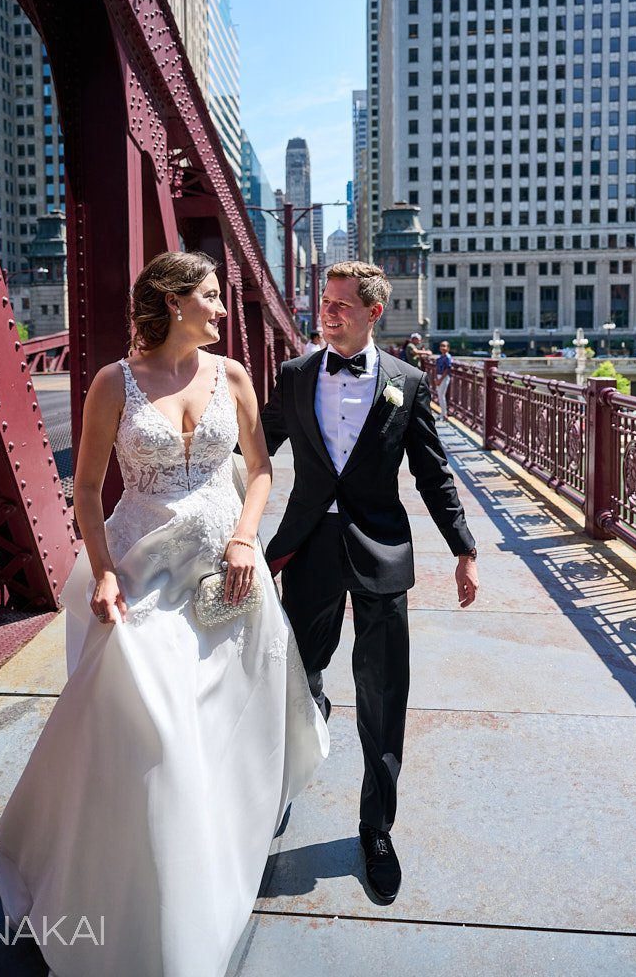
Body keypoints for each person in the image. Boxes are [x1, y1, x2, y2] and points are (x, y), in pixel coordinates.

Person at [0, 251, 328, 977]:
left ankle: (215, 841)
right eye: (209, 296)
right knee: (156, 725)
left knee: (222, 718)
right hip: (142, 571)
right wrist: (104, 576)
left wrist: (246, 538)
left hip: (225, 569)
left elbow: (262, 469)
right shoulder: (113, 384)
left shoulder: (233, 375)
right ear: (174, 302)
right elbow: (85, 488)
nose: (221, 308)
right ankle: (149, 903)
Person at [260, 260, 478, 906]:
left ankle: (376, 830)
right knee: (297, 673)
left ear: (373, 313)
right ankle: (298, 741)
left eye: (341, 306)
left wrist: (465, 548)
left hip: (381, 553)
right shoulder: (296, 375)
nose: (327, 313)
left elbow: (434, 475)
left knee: (384, 698)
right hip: (309, 549)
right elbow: (257, 447)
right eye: (324, 303)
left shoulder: (407, 384)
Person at [434, 339, 453, 420]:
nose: (442, 347)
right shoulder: (440, 357)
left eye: (444, 346)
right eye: (441, 346)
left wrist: (440, 380)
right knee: (440, 395)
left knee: (442, 396)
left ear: (448, 348)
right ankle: (442, 413)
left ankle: (444, 414)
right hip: (439, 377)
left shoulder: (448, 357)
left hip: (444, 377)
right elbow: (437, 368)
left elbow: (447, 369)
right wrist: (436, 378)